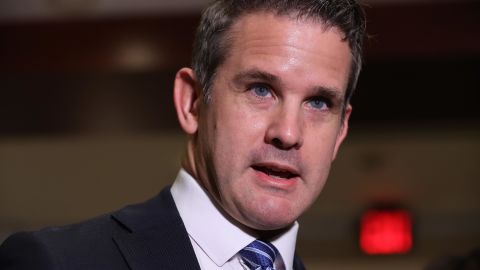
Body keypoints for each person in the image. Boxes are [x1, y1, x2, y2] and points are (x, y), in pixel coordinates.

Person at [0, 0, 366, 269]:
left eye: (319, 102)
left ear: (340, 132)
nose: (288, 132)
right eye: (260, 89)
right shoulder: (56, 263)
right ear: (191, 101)